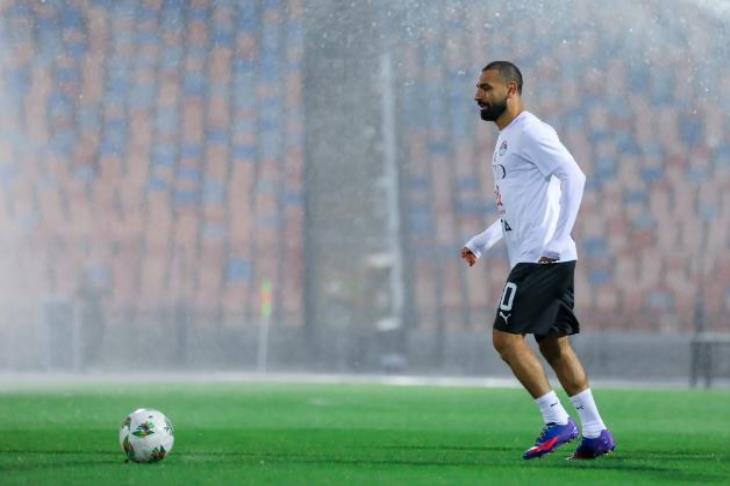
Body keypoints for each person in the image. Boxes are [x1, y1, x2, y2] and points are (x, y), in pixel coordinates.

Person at [460, 61, 615, 460]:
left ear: (511, 89)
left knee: (505, 339)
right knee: (554, 347)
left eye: (486, 87)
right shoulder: (508, 137)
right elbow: (516, 209)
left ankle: (558, 421)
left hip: (541, 259)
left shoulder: (531, 131)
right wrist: (483, 241)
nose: (478, 94)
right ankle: (596, 432)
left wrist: (559, 236)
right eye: (477, 87)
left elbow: (574, 177)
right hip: (547, 256)